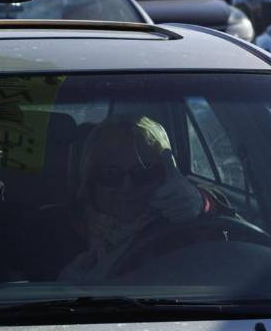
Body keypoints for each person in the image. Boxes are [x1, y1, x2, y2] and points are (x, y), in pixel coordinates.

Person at [60, 116, 221, 280]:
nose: (127, 187)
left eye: (143, 173)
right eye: (111, 174)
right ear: (90, 178)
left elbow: (234, 231)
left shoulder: (179, 228)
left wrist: (204, 202)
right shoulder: (55, 231)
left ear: (163, 177)